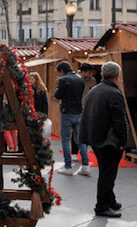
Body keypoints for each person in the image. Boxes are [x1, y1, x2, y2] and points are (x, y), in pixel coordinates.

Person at [78, 62, 128, 218]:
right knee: (108, 173)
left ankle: (110, 200)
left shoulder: (95, 90)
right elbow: (120, 120)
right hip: (109, 140)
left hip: (96, 138)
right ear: (117, 76)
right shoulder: (114, 93)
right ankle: (102, 207)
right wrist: (123, 141)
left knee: (106, 171)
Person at [54, 61, 90, 176]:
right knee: (80, 139)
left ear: (62, 71)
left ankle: (68, 167)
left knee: (65, 139)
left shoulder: (63, 80)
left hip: (67, 112)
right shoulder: (80, 78)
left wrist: (57, 85)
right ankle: (85, 165)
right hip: (78, 112)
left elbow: (58, 96)